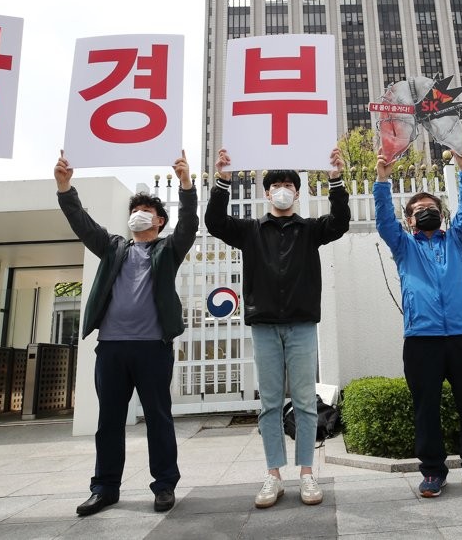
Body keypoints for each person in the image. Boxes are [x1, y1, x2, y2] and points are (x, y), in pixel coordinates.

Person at [54, 149, 199, 516]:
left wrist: (185, 185)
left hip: (152, 348)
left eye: (147, 209)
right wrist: (65, 188)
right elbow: (83, 224)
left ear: (159, 220)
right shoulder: (114, 247)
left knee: (158, 418)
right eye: (135, 209)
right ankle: (104, 488)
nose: (138, 213)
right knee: (109, 420)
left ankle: (164, 485)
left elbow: (189, 225)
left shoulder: (168, 248)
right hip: (112, 349)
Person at [205, 148, 350, 508]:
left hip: (301, 325)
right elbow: (215, 223)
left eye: (289, 185)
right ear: (266, 193)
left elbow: (341, 222)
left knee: (303, 402)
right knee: (270, 404)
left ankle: (306, 473)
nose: (283, 190)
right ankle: (273, 475)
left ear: (297, 193)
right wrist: (223, 180)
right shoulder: (251, 231)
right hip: (265, 325)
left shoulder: (310, 229)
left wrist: (336, 179)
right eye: (276, 185)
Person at [374, 136, 462, 498]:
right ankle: (432, 472)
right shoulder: (403, 245)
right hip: (422, 339)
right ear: (410, 219)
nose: (426, 210)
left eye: (432, 206)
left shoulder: (457, 239)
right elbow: (384, 219)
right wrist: (383, 179)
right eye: (418, 208)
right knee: (426, 408)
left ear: (441, 215)